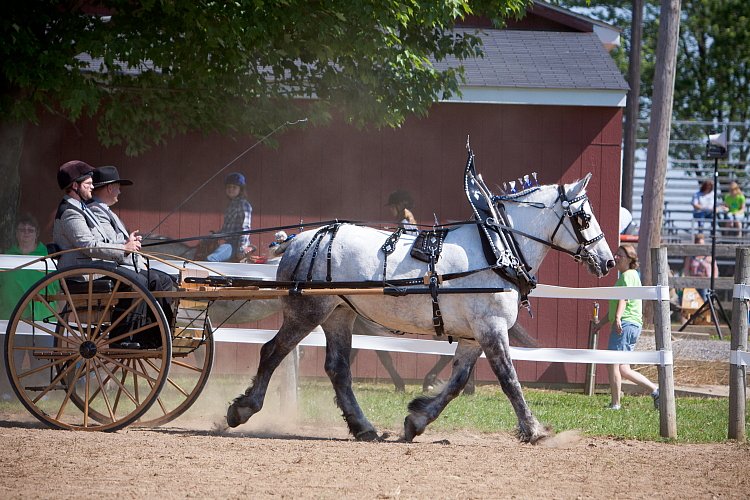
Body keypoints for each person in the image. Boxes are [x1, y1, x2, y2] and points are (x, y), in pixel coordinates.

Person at [88, 165, 176, 345]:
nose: (120, 191)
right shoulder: (97, 210)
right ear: (109, 188)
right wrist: (128, 246)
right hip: (113, 266)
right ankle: (142, 333)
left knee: (164, 280)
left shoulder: (105, 210)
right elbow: (110, 244)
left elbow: (117, 241)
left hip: (121, 263)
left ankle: (156, 331)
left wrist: (131, 244)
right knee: (149, 281)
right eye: (118, 187)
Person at [0, 213, 60, 400]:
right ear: (16, 234)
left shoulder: (47, 258)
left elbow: (58, 290)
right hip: (10, 316)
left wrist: (59, 316)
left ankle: (41, 391)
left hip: (41, 317)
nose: (26, 233)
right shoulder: (7, 258)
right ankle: (7, 391)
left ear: (36, 234)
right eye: (22, 230)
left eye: (30, 230)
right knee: (10, 359)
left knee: (41, 357)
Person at [603, 244, 659, 410]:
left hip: (625, 324)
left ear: (629, 259)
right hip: (633, 324)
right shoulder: (631, 276)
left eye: (620, 255)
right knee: (624, 369)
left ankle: (615, 404)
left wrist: (618, 318)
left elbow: (624, 299)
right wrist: (600, 324)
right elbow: (616, 305)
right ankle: (656, 391)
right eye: (616, 254)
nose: (616, 257)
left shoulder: (627, 276)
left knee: (612, 363)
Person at [207, 172, 253, 262]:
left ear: (241, 189)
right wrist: (213, 236)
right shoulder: (231, 205)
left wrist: (241, 248)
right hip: (226, 242)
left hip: (235, 244)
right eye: (228, 187)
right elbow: (226, 229)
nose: (231, 189)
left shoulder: (243, 204)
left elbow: (245, 229)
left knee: (211, 259)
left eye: (234, 187)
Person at [682, 233, 718, 302]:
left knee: (705, 298)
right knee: (693, 302)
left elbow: (715, 270)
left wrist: (713, 282)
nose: (700, 246)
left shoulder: (709, 257)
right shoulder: (690, 257)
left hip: (706, 283)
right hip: (694, 283)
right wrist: (689, 282)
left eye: (702, 244)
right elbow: (686, 271)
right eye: (698, 245)